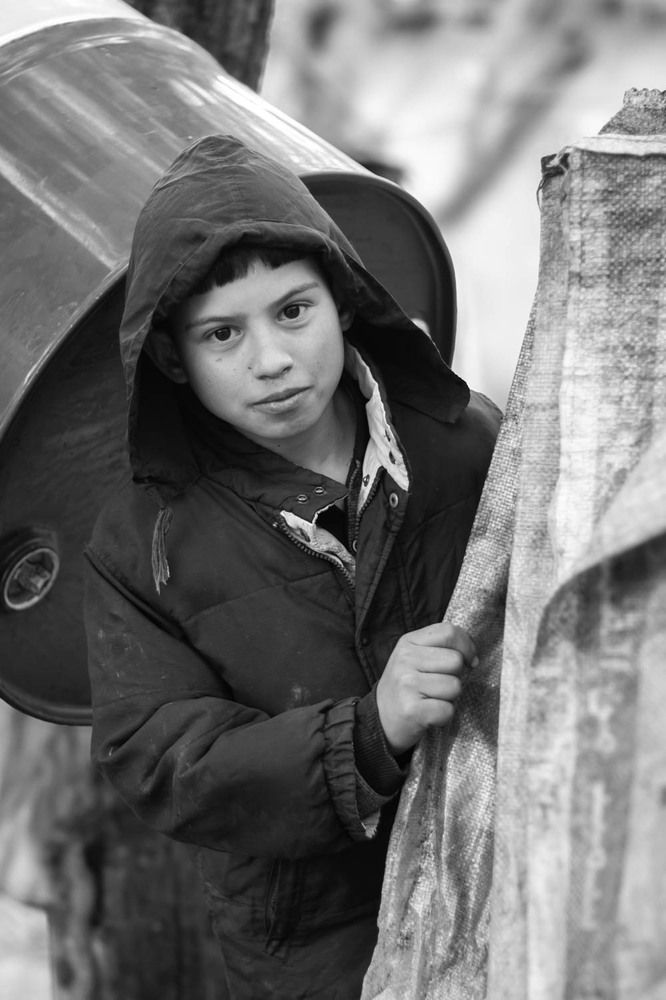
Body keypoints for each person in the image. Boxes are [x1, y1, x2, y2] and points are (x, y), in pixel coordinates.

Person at [84, 134, 501, 999]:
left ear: (343, 302)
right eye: (222, 333)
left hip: (500, 872)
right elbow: (161, 759)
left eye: (293, 311)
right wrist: (366, 734)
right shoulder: (144, 544)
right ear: (170, 357)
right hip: (313, 944)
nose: (270, 360)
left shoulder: (465, 445)